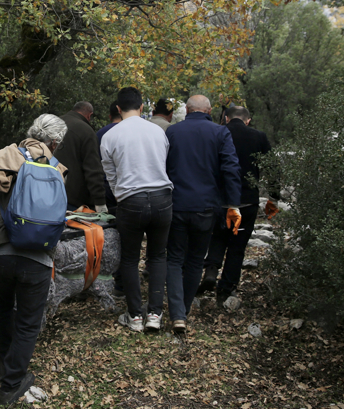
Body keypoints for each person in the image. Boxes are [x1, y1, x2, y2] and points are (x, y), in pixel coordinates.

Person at [0, 114, 68, 405]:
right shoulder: (57, 168)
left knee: (4, 310)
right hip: (38, 255)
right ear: (55, 142)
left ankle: (6, 366)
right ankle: (11, 383)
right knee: (29, 322)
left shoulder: (6, 155)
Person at [164, 95, 241, 334]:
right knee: (196, 259)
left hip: (176, 203)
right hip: (207, 206)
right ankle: (183, 310)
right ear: (209, 111)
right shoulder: (220, 133)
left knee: (175, 259)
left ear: (187, 110)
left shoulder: (172, 132)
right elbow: (230, 168)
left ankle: (177, 313)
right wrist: (233, 204)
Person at [101, 87, 173, 332]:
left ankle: (134, 316)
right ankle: (154, 313)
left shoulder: (110, 135)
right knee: (158, 256)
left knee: (130, 259)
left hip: (130, 201)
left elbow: (111, 176)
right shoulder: (157, 131)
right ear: (142, 107)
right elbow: (163, 162)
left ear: (118, 109)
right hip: (163, 198)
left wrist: (121, 194)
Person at [198, 106, 275, 302]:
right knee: (237, 246)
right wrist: (274, 196)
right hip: (247, 200)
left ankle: (211, 269)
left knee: (217, 236)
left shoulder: (217, 133)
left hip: (219, 198)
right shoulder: (259, 136)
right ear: (247, 120)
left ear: (226, 118)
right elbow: (273, 166)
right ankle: (226, 288)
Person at [54, 101, 107, 212]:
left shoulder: (54, 124)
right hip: (75, 202)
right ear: (90, 115)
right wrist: (100, 202)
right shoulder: (86, 131)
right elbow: (93, 169)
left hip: (48, 194)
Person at [96, 101, 122, 215]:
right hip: (128, 187)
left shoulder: (100, 134)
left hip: (106, 185)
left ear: (110, 116)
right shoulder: (130, 132)